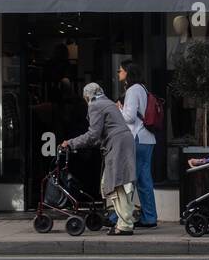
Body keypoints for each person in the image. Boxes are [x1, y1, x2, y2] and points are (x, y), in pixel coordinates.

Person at [62, 83, 138, 236]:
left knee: (118, 184)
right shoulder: (108, 102)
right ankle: (123, 221)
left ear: (87, 96)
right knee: (117, 183)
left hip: (117, 145)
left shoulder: (95, 105)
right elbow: (100, 134)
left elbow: (93, 134)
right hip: (123, 142)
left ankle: (125, 225)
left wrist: (70, 143)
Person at [117, 60, 157, 228]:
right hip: (147, 138)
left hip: (137, 138)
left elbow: (129, 117)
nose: (118, 73)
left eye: (120, 71)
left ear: (127, 72)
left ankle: (121, 216)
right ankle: (149, 217)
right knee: (144, 180)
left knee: (128, 180)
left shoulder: (133, 90)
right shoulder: (142, 88)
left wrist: (118, 108)